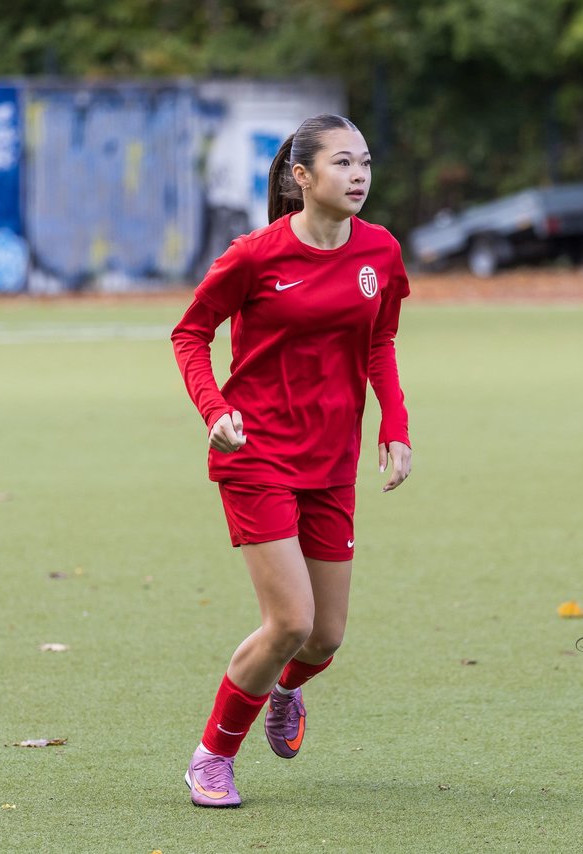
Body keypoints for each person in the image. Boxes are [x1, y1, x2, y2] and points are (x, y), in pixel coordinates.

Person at [171, 113, 413, 804]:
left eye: (365, 161)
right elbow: (190, 333)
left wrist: (393, 425)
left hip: (332, 460)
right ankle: (211, 758)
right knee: (291, 622)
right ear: (301, 177)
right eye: (341, 163)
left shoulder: (381, 253)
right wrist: (215, 411)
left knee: (325, 638)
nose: (359, 174)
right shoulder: (254, 255)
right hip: (257, 455)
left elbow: (380, 343)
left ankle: (282, 689)